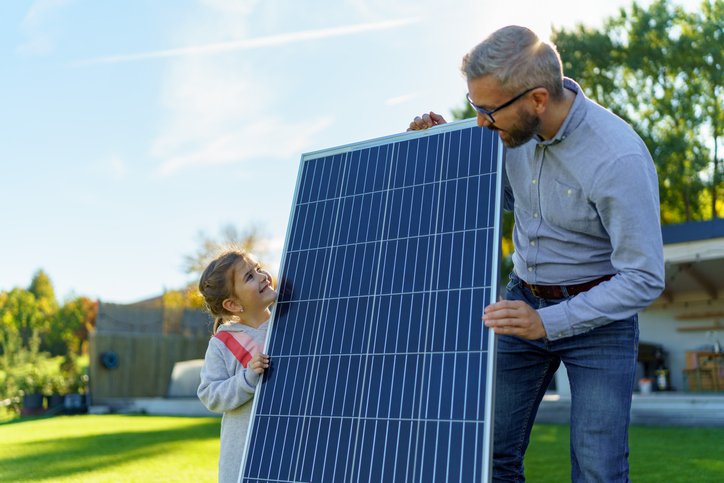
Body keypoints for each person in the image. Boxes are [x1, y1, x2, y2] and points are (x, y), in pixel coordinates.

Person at [408, 26, 665, 482]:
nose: (482, 122)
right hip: (522, 299)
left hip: (599, 319)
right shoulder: (508, 132)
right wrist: (450, 148)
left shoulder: (617, 159)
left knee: (598, 469)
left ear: (538, 100)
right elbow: (504, 196)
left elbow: (643, 277)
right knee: (486, 456)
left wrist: (549, 322)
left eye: (488, 111)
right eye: (475, 107)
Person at [197, 248, 277, 483]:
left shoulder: (290, 326)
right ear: (232, 304)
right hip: (243, 457)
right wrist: (247, 378)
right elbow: (209, 394)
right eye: (250, 277)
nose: (263, 276)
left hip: (286, 444)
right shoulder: (223, 343)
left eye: (259, 268)